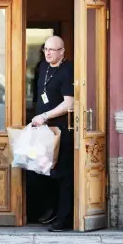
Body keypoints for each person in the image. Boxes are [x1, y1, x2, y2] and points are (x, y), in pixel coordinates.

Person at [31, 35, 74, 232]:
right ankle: (49, 211)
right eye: (45, 49)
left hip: (61, 130)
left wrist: (45, 116)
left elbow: (69, 103)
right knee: (42, 172)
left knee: (62, 175)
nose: (48, 53)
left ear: (62, 51)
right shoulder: (42, 67)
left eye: (52, 50)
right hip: (43, 129)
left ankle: (64, 219)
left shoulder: (67, 69)